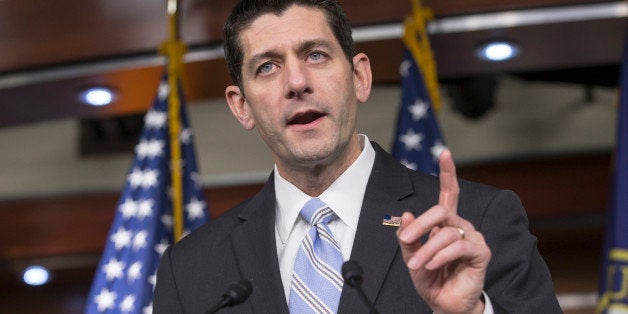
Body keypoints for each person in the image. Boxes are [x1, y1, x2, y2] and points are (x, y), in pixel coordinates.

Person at [154, 0, 562, 313]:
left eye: (315, 55)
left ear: (360, 77)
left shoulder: (479, 221)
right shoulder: (190, 269)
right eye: (267, 67)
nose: (297, 82)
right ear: (241, 106)